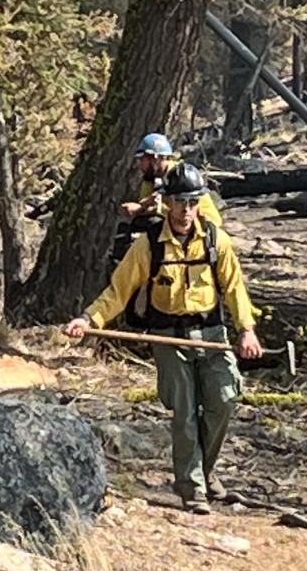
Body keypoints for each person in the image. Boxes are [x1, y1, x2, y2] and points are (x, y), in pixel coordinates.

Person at [67, 165, 264, 515]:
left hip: (211, 335)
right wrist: (88, 318)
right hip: (168, 337)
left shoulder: (217, 241)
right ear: (168, 203)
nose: (185, 210)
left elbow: (234, 289)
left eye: (192, 202)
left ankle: (203, 470)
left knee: (224, 399)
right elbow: (119, 290)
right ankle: (192, 489)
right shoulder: (148, 245)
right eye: (179, 202)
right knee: (184, 413)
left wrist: (246, 329)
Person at [121, 131, 220, 238]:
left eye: (142, 159)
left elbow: (182, 211)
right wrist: (141, 207)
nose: (140, 164)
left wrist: (145, 208)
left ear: (156, 158)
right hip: (177, 224)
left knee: (152, 222)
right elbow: (148, 203)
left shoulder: (182, 178)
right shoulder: (151, 177)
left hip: (200, 229)